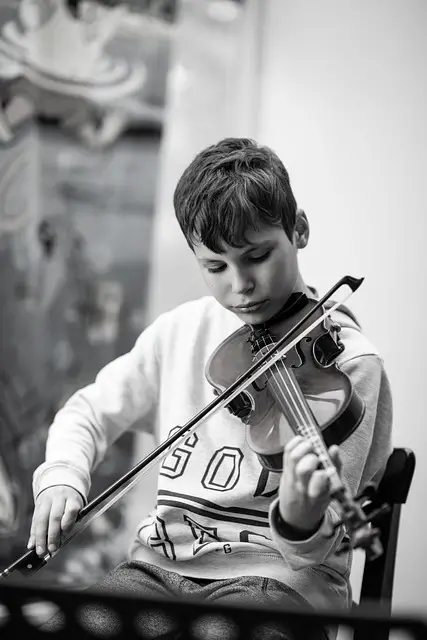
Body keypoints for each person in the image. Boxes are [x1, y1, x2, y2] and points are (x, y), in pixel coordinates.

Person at [28, 138, 393, 639]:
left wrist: (299, 516)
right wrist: (63, 476)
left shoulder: (350, 364)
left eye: (257, 255)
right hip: (156, 572)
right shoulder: (182, 332)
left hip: (281, 583)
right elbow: (88, 412)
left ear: (299, 229)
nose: (240, 285)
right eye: (215, 267)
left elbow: (321, 546)